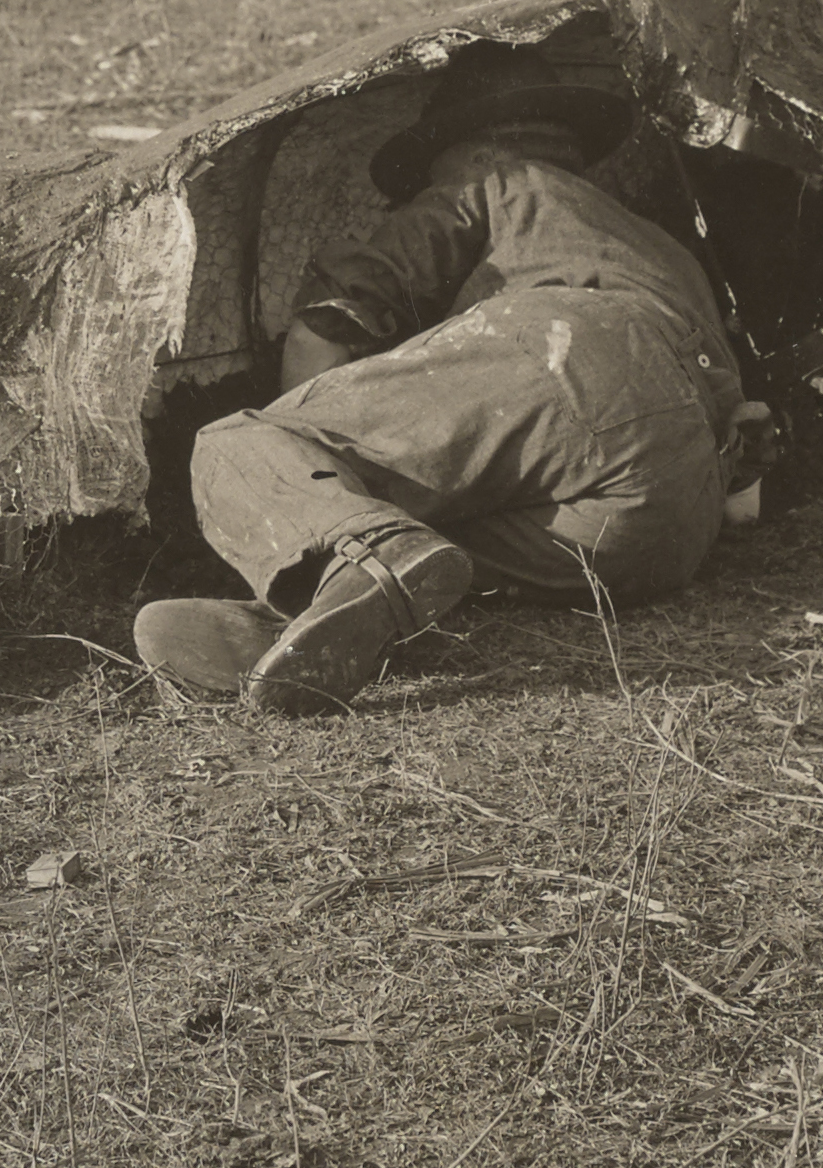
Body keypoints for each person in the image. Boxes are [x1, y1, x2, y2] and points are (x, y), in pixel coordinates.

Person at [136, 47, 756, 714]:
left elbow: (334, 315)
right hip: (669, 525)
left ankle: (339, 555)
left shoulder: (495, 182)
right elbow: (744, 491)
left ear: (469, 151)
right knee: (426, 550)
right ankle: (306, 615)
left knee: (237, 444)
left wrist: (295, 477)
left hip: (568, 355)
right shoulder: (662, 249)